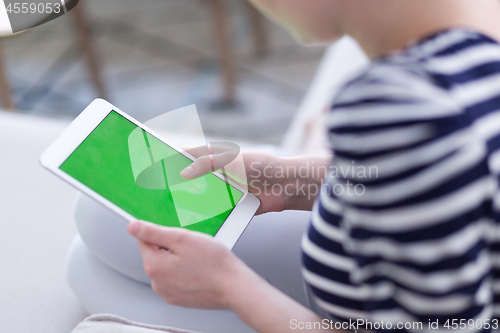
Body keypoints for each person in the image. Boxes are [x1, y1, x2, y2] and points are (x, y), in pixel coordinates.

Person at [68, 0, 500, 332]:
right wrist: (295, 179)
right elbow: (449, 183)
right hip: (379, 280)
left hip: (361, 312)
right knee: (97, 224)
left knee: (86, 269)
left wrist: (232, 288)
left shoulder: (395, 105)